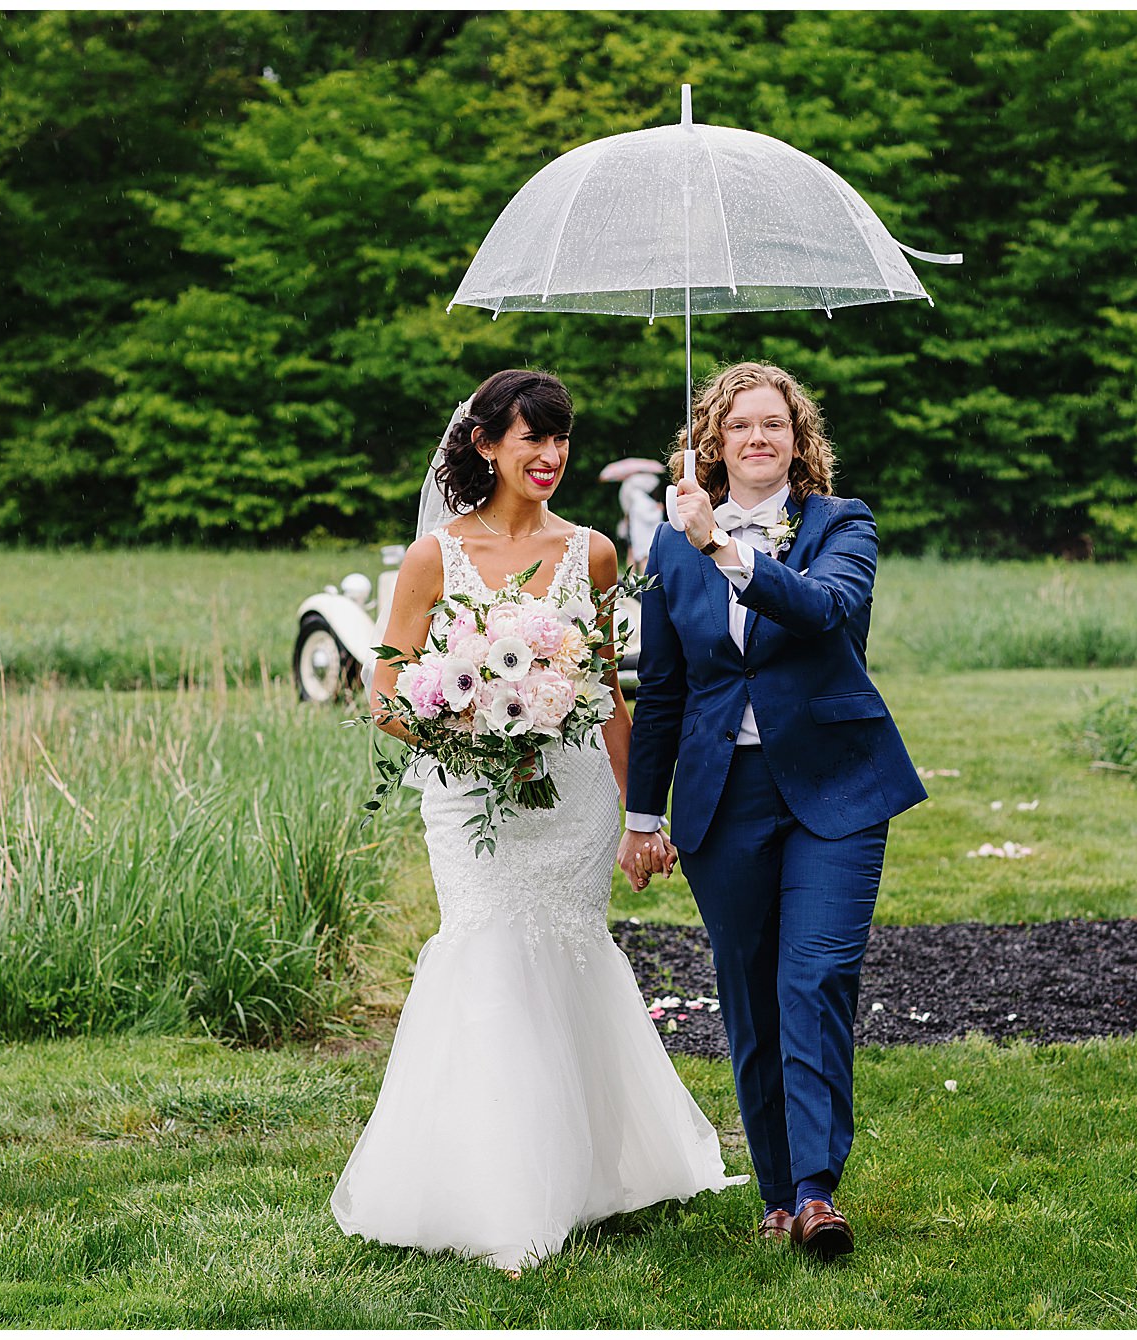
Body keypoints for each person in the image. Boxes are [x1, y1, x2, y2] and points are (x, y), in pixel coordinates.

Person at [329, 368, 741, 1275]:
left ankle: (585, 1172)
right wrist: (462, 727)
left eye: (561, 439)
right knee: (484, 948)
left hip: (574, 793)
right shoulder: (436, 557)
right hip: (471, 794)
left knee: (565, 948)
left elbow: (608, 698)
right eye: (532, 440)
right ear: (485, 446)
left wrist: (642, 814)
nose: (552, 456)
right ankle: (494, 1190)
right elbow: (386, 687)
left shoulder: (592, 552)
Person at [616, 361, 925, 1260]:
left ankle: (819, 1192)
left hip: (836, 786)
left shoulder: (840, 524)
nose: (760, 437)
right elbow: (665, 688)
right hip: (724, 798)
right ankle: (777, 1193)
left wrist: (725, 548)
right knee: (750, 996)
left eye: (776, 425)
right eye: (741, 425)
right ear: (711, 442)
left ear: (799, 439)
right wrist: (644, 816)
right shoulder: (669, 546)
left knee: (814, 978)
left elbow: (826, 611)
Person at [616, 467, 666, 570]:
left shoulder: (633, 499)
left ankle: (631, 578)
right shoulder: (642, 501)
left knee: (634, 553)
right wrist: (658, 511)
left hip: (636, 533)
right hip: (644, 535)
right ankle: (644, 581)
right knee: (644, 557)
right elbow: (649, 518)